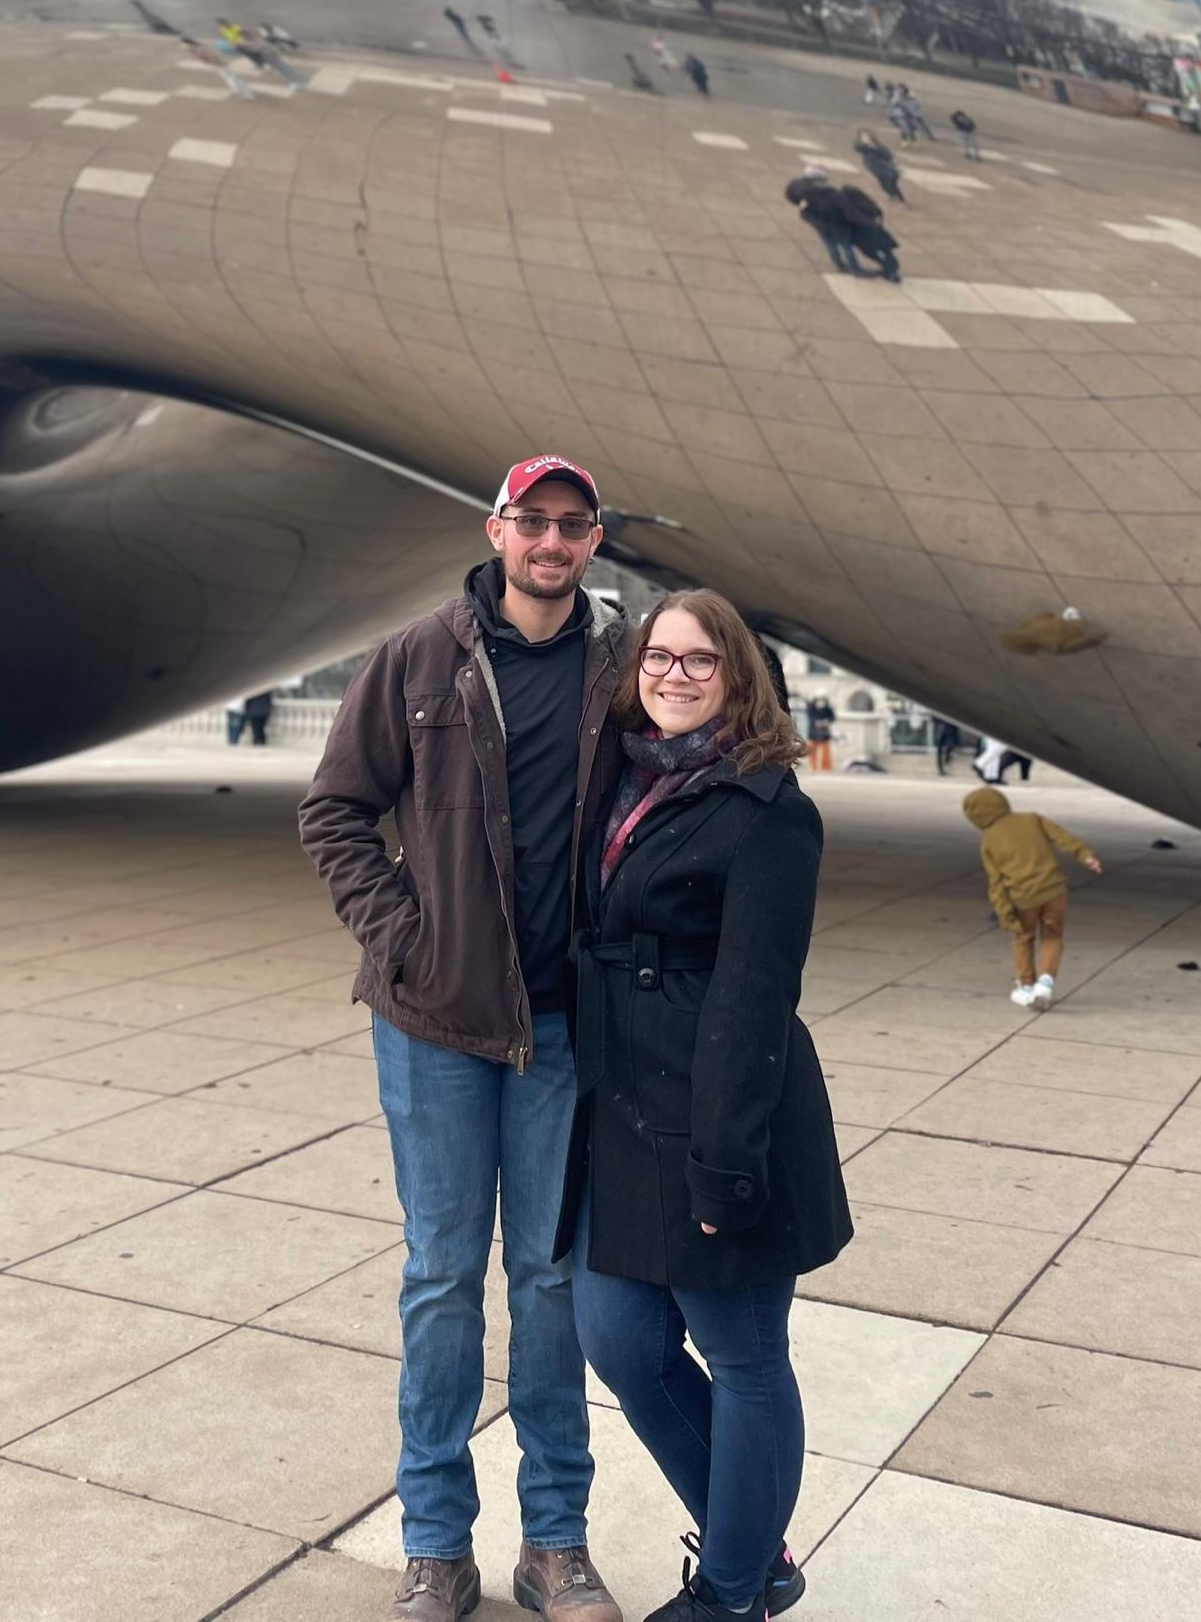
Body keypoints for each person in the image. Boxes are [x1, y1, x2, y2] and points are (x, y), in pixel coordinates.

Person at [299, 455, 628, 1622]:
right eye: (532, 521)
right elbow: (334, 809)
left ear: (594, 541)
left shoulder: (620, 666)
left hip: (564, 1028)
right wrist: (405, 938)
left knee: (548, 1282)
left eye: (572, 525)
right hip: (436, 1022)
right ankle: (435, 1543)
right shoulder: (420, 655)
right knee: (442, 1276)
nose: (551, 541)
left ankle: (556, 1542)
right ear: (496, 530)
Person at [556, 589, 852, 1622]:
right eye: (658, 657)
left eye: (699, 661)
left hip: (721, 1111)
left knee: (743, 1356)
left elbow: (754, 994)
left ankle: (730, 1593)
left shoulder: (770, 809)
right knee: (622, 1341)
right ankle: (755, 1552)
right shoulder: (623, 781)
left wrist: (727, 1161)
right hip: (621, 1107)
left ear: (739, 677)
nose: (673, 675)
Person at [962, 786, 1102, 1010]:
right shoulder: (1032, 819)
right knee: (1053, 935)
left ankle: (1026, 986)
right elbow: (1063, 837)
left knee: (1023, 938)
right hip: (1054, 891)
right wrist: (1085, 855)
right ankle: (1046, 982)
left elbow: (996, 882)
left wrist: (1004, 912)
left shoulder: (989, 841)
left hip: (1022, 898)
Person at [835, 184, 901, 283]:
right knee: (887, 252)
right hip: (878, 232)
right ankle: (892, 271)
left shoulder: (851, 207)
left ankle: (889, 270)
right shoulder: (868, 203)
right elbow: (878, 214)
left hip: (864, 236)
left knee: (871, 253)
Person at [179, 35, 254, 101]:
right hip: (217, 63)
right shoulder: (199, 46)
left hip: (216, 64)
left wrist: (215, 62)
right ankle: (244, 92)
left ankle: (241, 91)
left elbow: (207, 57)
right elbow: (211, 55)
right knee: (231, 77)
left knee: (229, 77)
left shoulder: (193, 49)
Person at [853, 128, 905, 204]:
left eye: (867, 136)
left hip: (888, 168)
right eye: (863, 136)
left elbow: (888, 155)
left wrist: (875, 148)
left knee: (891, 183)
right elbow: (858, 148)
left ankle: (900, 199)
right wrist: (866, 144)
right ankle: (894, 196)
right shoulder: (864, 147)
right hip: (877, 169)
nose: (865, 138)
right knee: (884, 183)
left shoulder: (878, 146)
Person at [804, 693, 835, 773]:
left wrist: (826, 721)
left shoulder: (828, 708)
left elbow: (832, 717)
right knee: (812, 750)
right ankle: (812, 766)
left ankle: (825, 767)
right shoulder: (811, 707)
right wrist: (816, 722)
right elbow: (810, 716)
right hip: (813, 732)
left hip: (824, 732)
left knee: (825, 750)